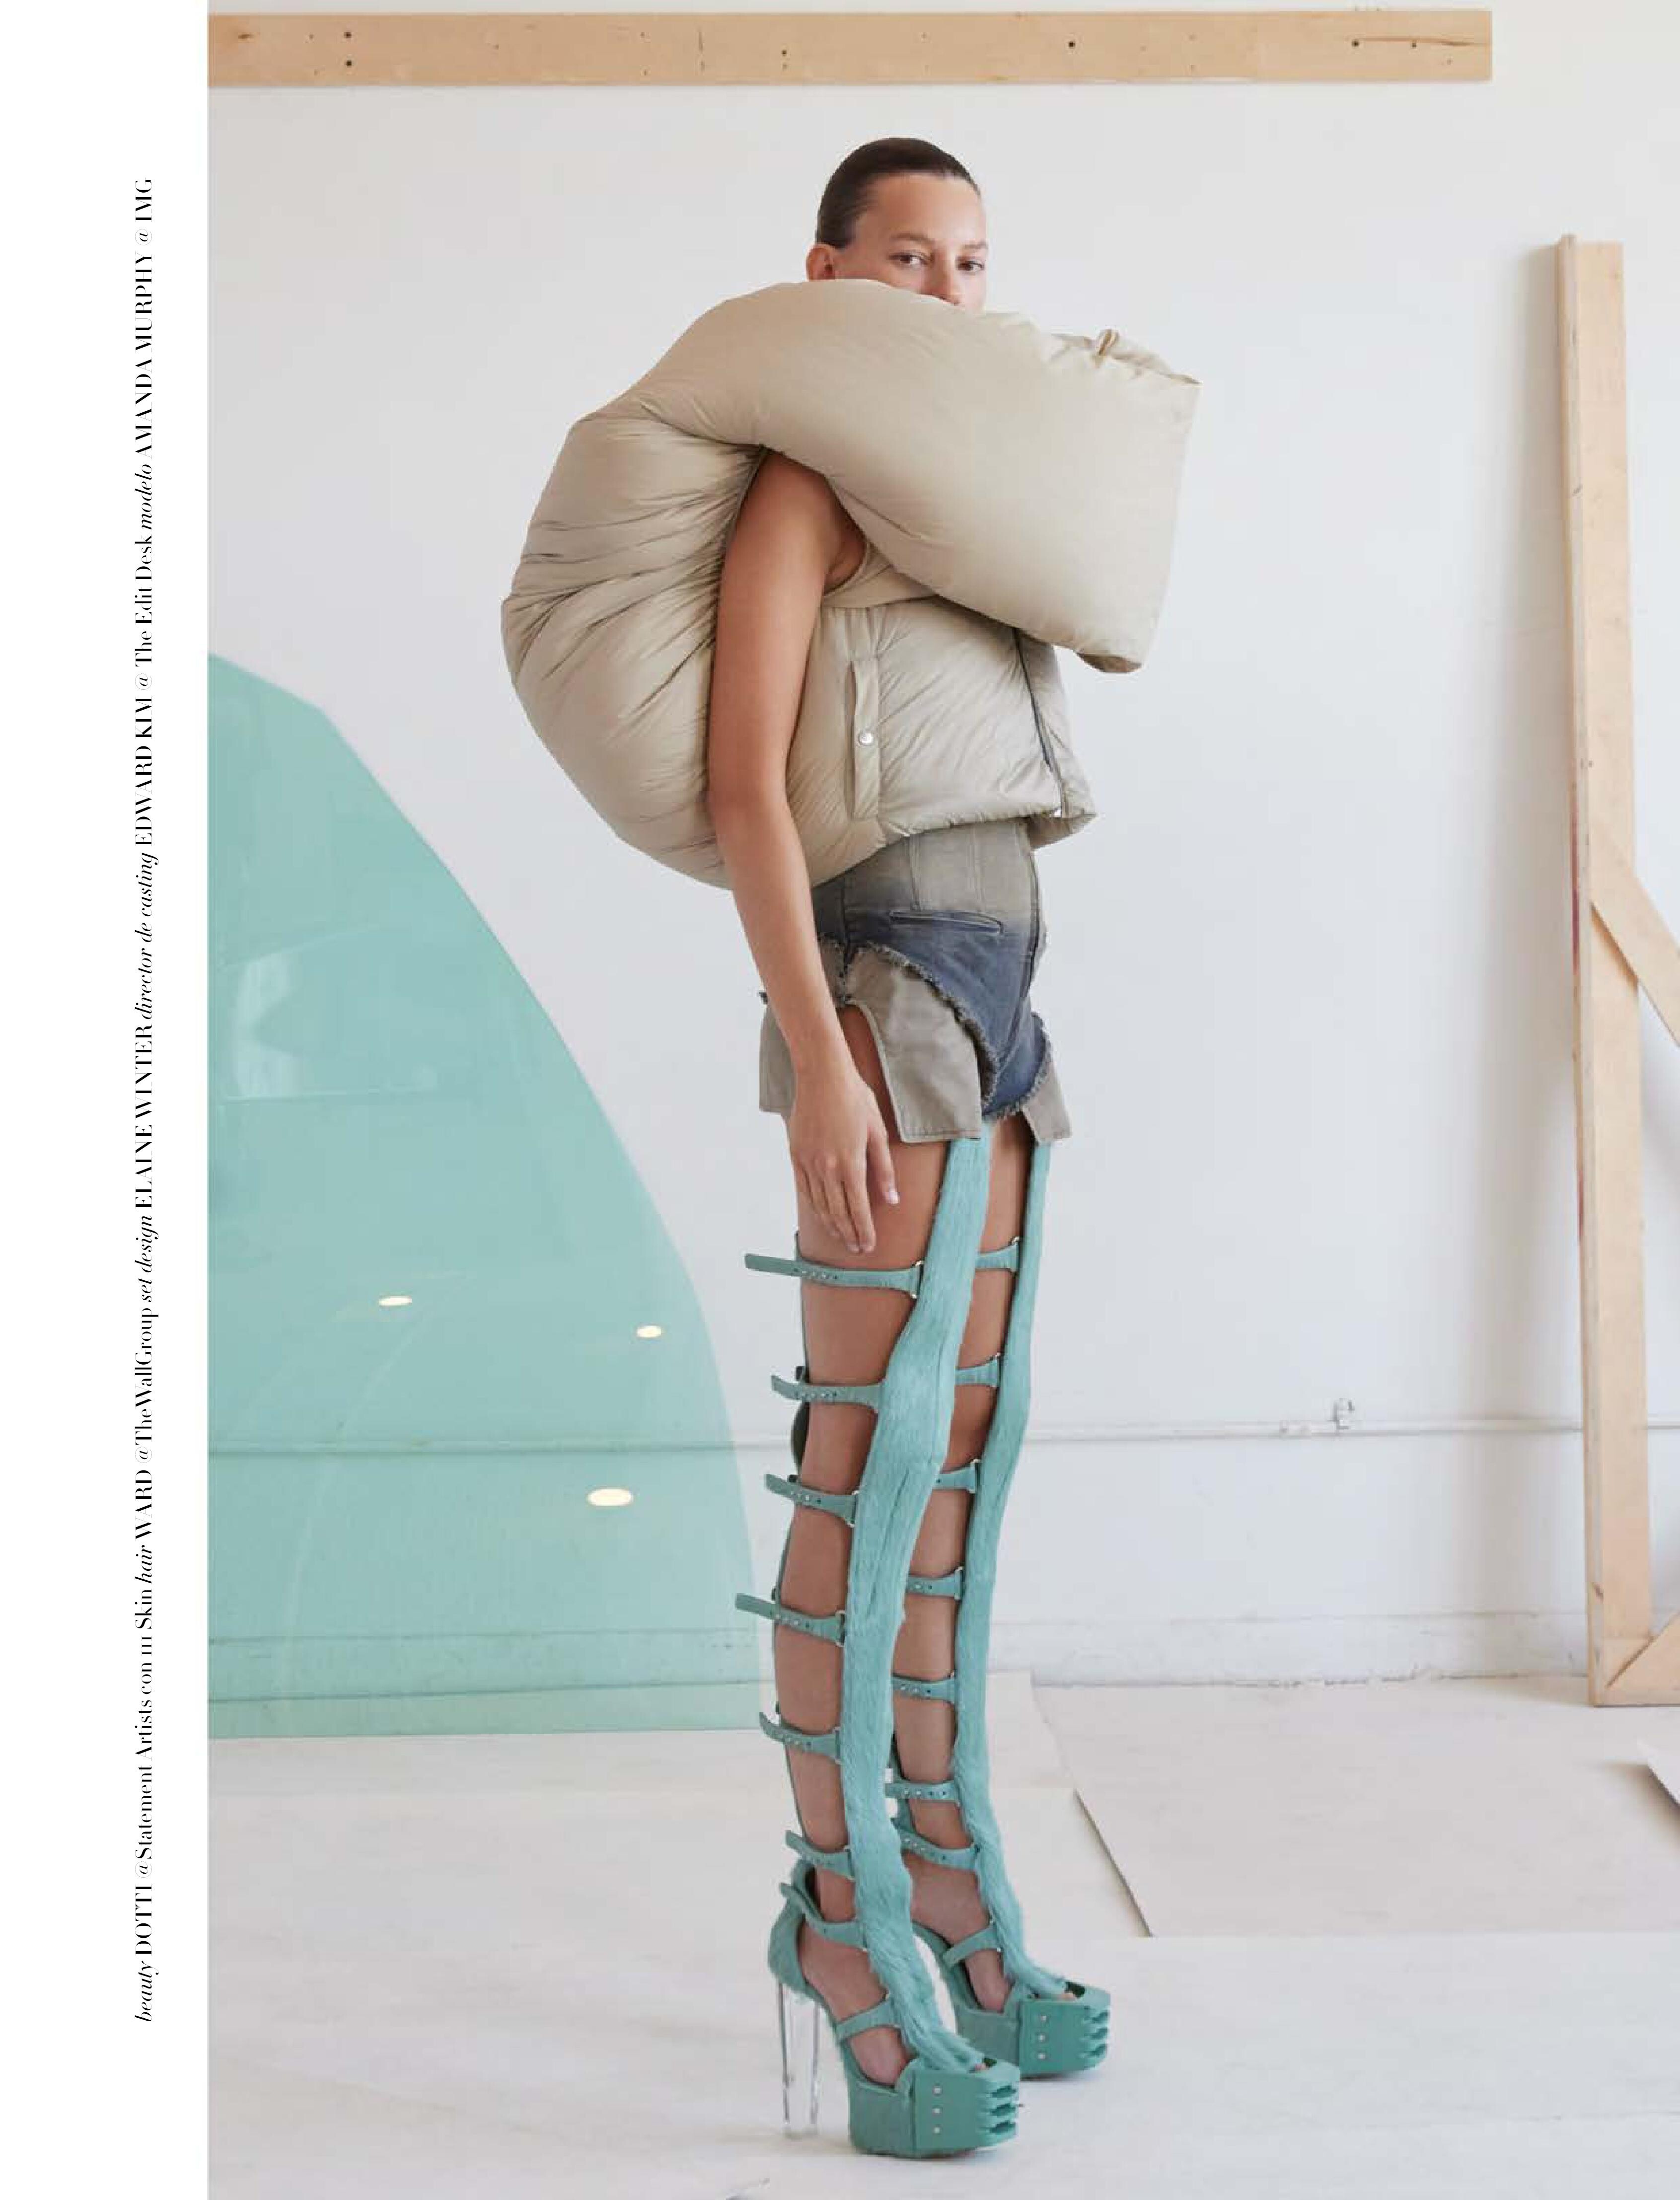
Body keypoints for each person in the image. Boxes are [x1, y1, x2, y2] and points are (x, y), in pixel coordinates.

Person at [710, 138, 1107, 2159]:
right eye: (907, 258)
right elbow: (747, 793)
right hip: (883, 994)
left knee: (962, 1459)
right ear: (827, 272)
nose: (946, 292)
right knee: (866, 1464)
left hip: (1004, 988)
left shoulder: (969, 491)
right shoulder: (805, 485)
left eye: (973, 262)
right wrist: (821, 1057)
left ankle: (951, 1890)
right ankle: (843, 1927)